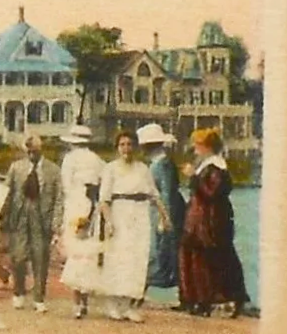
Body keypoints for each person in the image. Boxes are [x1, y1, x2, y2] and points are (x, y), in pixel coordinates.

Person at [96, 131, 172, 323]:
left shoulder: (143, 169)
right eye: (122, 145)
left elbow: (154, 195)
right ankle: (113, 303)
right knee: (118, 259)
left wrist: (165, 217)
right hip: (119, 213)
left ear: (136, 147)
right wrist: (110, 222)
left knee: (138, 260)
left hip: (140, 215)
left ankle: (129, 305)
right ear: (117, 147)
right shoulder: (110, 169)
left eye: (130, 144)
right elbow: (104, 200)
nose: (126, 149)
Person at [178, 128, 250, 317]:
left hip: (210, 219)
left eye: (197, 145)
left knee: (210, 258)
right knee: (196, 258)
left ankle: (214, 300)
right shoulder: (207, 165)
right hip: (200, 218)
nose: (194, 149)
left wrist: (193, 177)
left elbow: (211, 193)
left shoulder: (216, 167)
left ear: (206, 147)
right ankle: (199, 299)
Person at [0, 134, 62, 312]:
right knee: (18, 257)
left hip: (41, 217)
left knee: (40, 258)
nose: (31, 154)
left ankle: (39, 297)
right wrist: (1, 215)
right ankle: (18, 292)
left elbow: (59, 198)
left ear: (40, 150)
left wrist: (55, 222)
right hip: (19, 215)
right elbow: (7, 192)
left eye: (34, 151)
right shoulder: (16, 167)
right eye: (28, 151)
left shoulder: (53, 170)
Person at [57, 124, 105, 319]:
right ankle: (83, 300)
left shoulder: (69, 160)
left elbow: (66, 187)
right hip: (92, 207)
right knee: (88, 255)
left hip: (76, 206)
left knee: (75, 254)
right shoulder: (98, 160)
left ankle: (78, 302)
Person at [138, 123, 185, 294]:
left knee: (163, 250)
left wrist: (164, 217)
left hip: (164, 211)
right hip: (158, 210)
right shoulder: (158, 163)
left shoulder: (162, 164)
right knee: (161, 250)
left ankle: (143, 288)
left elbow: (167, 193)